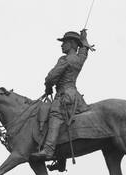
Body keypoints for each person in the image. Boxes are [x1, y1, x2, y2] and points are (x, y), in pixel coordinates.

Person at [31, 29, 94, 162]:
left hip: (64, 95)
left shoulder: (65, 59)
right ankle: (61, 159)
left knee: (55, 115)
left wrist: (48, 88)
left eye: (64, 43)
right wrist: (84, 39)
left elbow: (51, 77)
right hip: (75, 96)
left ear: (71, 44)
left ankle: (48, 150)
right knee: (65, 122)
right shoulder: (79, 58)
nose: (61, 45)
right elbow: (84, 51)